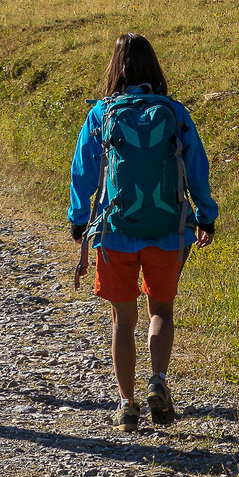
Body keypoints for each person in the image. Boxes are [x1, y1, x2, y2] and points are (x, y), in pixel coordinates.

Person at [67, 32, 217, 432]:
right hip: (167, 229)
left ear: (115, 69)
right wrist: (205, 214)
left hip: (115, 231)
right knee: (161, 311)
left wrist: (79, 219)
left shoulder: (101, 113)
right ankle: (159, 382)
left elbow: (83, 171)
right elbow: (197, 168)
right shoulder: (175, 111)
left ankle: (127, 403)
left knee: (122, 318)